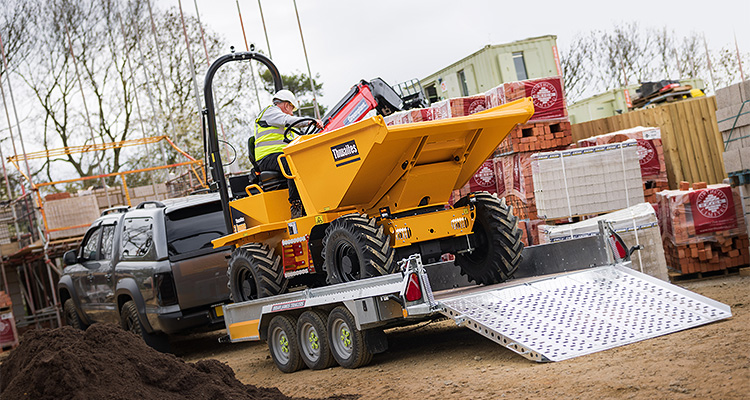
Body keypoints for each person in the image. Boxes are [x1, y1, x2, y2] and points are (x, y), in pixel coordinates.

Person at [254, 89, 322, 219]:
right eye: (292, 108)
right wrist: (310, 121)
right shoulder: (271, 112)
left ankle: (313, 199)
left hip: (279, 155)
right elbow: (288, 119)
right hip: (267, 157)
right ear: (286, 105)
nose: (291, 112)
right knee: (291, 163)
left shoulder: (281, 122)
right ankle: (296, 204)